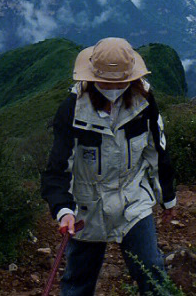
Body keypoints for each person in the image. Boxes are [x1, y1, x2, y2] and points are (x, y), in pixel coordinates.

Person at [41, 37, 177, 296]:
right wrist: (63, 209)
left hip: (132, 199)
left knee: (151, 270)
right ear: (92, 79)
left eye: (120, 83)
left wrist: (167, 198)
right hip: (87, 206)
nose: (113, 89)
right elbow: (58, 166)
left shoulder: (143, 103)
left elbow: (157, 151)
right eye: (106, 83)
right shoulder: (73, 110)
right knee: (79, 281)